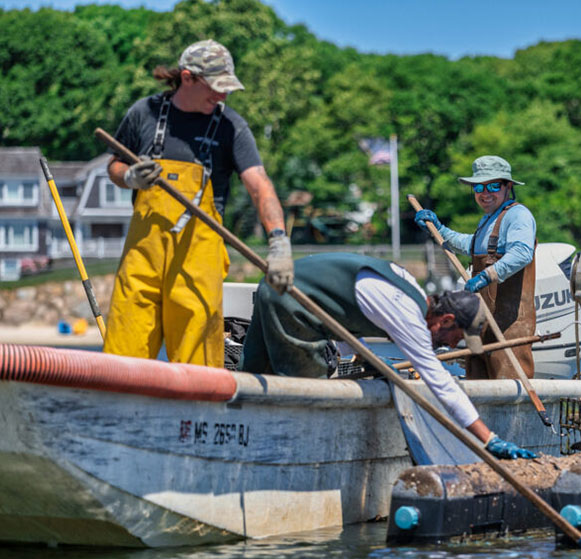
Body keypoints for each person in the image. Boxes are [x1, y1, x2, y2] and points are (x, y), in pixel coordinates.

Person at [103, 39, 293, 368]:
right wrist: (130, 176)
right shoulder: (144, 113)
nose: (223, 96)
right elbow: (114, 166)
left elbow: (260, 186)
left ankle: (199, 418)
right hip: (142, 258)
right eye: (216, 88)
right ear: (188, 77)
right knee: (123, 356)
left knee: (198, 362)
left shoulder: (231, 126)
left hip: (197, 259)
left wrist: (278, 242)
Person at [238, 252, 536, 460]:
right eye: (454, 338)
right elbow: (440, 383)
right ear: (444, 320)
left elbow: (347, 314)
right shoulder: (407, 313)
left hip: (274, 286)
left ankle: (242, 440)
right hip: (292, 299)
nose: (446, 346)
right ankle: (289, 458)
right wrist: (489, 439)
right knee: (309, 393)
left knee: (250, 376)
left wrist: (367, 360)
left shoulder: (407, 288)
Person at [414, 155, 537, 380]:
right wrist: (439, 230)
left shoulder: (518, 215)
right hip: (481, 327)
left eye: (493, 185)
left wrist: (487, 276)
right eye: (478, 186)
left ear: (508, 186)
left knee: (509, 387)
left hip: (509, 328)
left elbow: (522, 253)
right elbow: (470, 245)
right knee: (478, 386)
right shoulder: (488, 220)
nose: (485, 192)